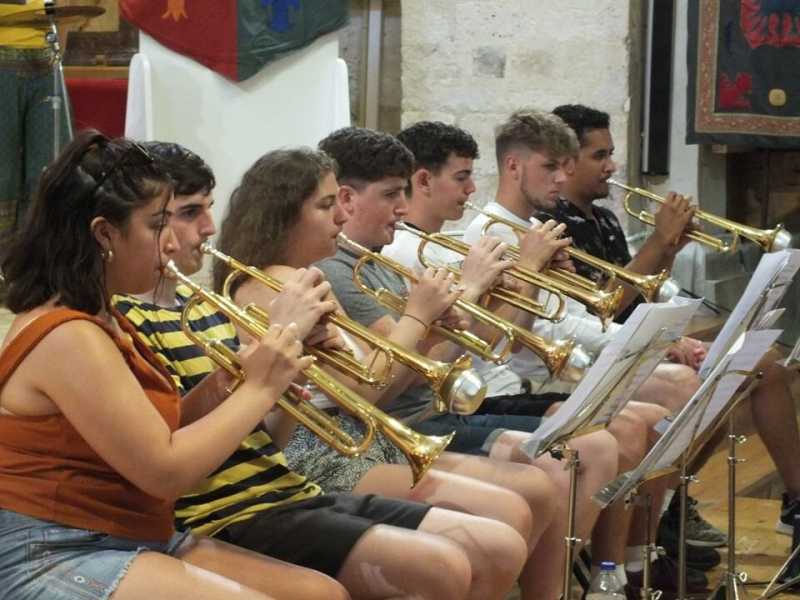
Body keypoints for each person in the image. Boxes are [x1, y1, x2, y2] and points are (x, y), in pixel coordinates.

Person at [114, 141, 533, 600]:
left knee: (496, 543)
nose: (207, 228)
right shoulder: (235, 295)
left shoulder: (204, 310)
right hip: (267, 487)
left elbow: (272, 433)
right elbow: (366, 393)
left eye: (208, 210)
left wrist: (286, 378)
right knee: (452, 557)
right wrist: (419, 318)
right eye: (188, 213)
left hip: (287, 479)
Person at [213, 142, 618, 600]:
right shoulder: (280, 283)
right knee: (509, 510)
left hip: (353, 433)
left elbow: (389, 370)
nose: (339, 218)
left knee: (523, 502)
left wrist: (429, 330)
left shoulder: (304, 276)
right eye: (326, 206)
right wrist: (422, 318)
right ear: (284, 213)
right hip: (319, 447)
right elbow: (366, 389)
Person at [0, 130, 355, 600]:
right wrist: (260, 389)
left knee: (322, 593)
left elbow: (155, 431)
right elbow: (165, 471)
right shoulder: (67, 335)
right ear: (104, 233)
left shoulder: (103, 315)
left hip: (130, 532)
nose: (170, 244)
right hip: (56, 549)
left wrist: (231, 381)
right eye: (156, 225)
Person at [460, 110, 719, 594]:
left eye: (564, 166)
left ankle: (633, 559)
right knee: (625, 426)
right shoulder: (490, 235)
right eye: (549, 167)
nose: (562, 177)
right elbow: (513, 339)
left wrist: (654, 334)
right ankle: (601, 573)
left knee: (666, 401)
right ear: (513, 167)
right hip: (516, 382)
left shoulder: (536, 227)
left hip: (548, 371)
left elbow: (576, 317)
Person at [548, 103, 800, 541]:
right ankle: (665, 505)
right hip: (594, 354)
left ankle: (700, 500)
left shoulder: (604, 218)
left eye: (611, 153)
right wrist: (660, 242)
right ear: (566, 164)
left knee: (760, 365)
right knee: (724, 380)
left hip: (631, 338)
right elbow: (600, 306)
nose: (612, 166)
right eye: (599, 156)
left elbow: (637, 294)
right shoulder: (552, 224)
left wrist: (670, 250)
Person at [0, 0, 72, 239]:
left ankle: (37, 251)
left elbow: (64, 8)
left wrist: (57, 54)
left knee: (49, 168)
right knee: (3, 173)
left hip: (45, 62)